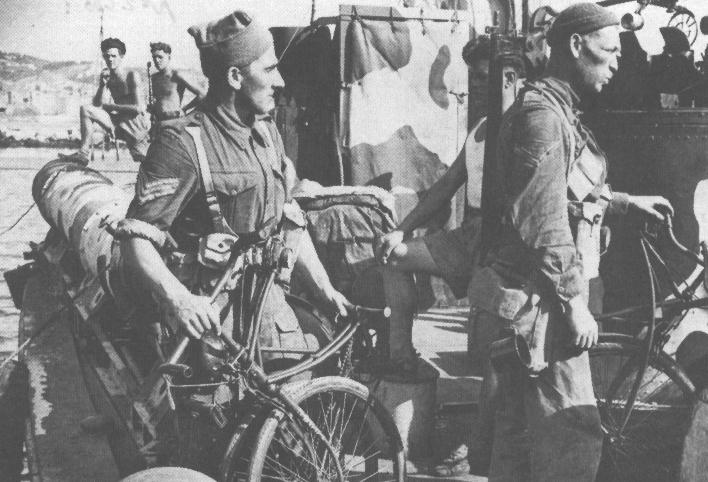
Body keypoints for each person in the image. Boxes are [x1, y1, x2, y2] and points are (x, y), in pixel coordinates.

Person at [469, 4, 673, 481]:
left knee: (517, 447)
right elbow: (544, 220)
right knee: (572, 440)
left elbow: (568, 191)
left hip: (529, 305)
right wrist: (574, 302)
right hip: (540, 307)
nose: (617, 62)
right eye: (608, 50)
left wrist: (621, 202)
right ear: (576, 46)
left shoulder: (558, 111)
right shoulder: (542, 117)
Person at [119, 11, 349, 360]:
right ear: (235, 76)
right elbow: (137, 238)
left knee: (297, 394)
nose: (281, 81)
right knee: (219, 411)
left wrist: (325, 289)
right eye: (269, 70)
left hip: (269, 313)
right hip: (210, 322)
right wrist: (179, 300)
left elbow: (289, 220)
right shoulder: (182, 142)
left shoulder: (267, 132)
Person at [375, 39, 524, 477]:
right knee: (393, 255)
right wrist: (401, 228)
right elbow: (446, 187)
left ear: (510, 78)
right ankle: (403, 356)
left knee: (490, 354)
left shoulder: (529, 125)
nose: (474, 87)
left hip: (508, 244)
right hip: (470, 235)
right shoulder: (479, 128)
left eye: (482, 77)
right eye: (472, 77)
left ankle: (472, 456)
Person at [73, 37, 150, 163]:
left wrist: (110, 107)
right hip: (119, 123)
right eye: (106, 56)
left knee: (144, 161)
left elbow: (139, 108)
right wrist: (102, 85)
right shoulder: (109, 77)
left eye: (113, 56)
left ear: (121, 56)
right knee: (86, 110)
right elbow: (97, 104)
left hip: (136, 126)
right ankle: (83, 154)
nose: (109, 59)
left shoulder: (131, 76)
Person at [149, 42, 207, 121]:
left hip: (174, 121)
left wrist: (185, 109)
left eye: (160, 57)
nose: (156, 60)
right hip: (158, 122)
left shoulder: (177, 75)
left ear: (169, 57)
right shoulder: (153, 78)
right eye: (154, 57)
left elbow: (202, 94)